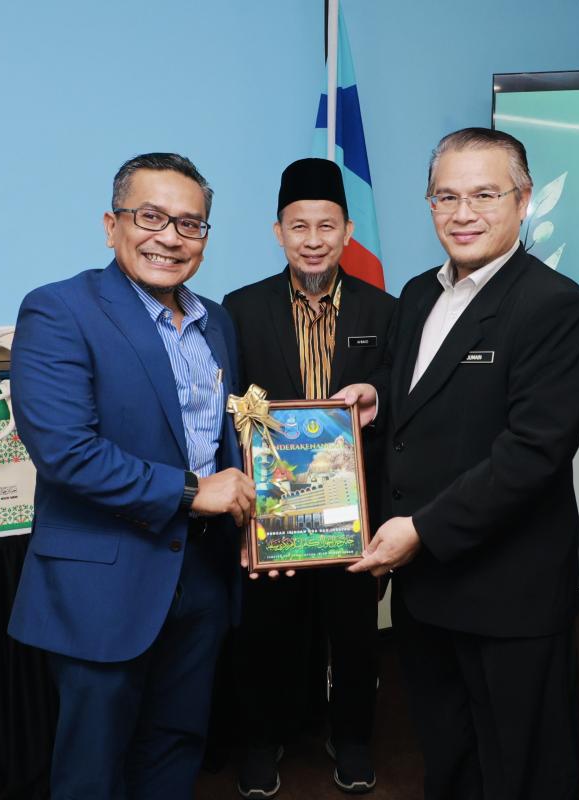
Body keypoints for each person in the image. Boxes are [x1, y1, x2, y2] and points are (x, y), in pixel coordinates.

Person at [338, 128, 579, 799]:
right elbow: (422, 398)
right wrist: (378, 395)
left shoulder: (556, 307)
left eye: (484, 195)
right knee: (447, 750)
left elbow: (531, 454)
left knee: (523, 768)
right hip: (426, 586)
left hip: (506, 589)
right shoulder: (417, 295)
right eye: (446, 196)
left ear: (523, 200)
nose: (463, 213)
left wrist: (420, 531)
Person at [7, 152, 256, 800]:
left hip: (203, 575)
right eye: (151, 217)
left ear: (204, 238)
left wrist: (267, 521)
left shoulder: (216, 322)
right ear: (111, 224)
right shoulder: (59, 310)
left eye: (189, 224)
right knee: (93, 769)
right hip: (107, 581)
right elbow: (66, 452)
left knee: (176, 747)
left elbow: (223, 439)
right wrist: (193, 492)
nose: (170, 237)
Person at [221, 158, 396, 798]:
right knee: (266, 631)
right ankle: (261, 741)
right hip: (273, 512)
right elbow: (224, 404)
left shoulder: (387, 309)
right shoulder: (240, 309)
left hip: (355, 509)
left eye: (327, 226)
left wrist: (377, 392)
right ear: (279, 232)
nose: (313, 240)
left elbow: (402, 393)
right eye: (299, 227)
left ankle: (351, 738)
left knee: (355, 633)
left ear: (348, 231)